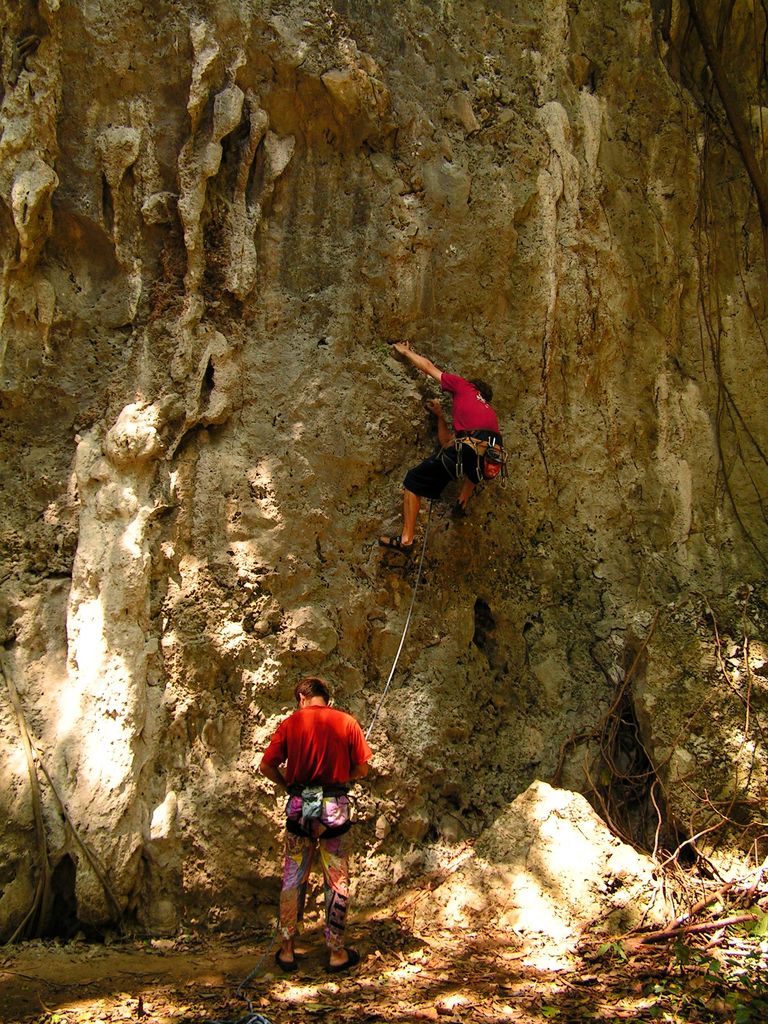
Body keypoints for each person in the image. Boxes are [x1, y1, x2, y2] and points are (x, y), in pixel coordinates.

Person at [260, 676, 372, 973]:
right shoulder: (347, 722)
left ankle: (286, 949)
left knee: (293, 876)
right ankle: (336, 952)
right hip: (334, 809)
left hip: (299, 808)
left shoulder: (290, 724)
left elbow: (266, 766)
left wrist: (288, 786)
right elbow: (362, 767)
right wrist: (341, 775)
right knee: (337, 878)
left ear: (301, 698)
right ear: (327, 698)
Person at [378, 341, 503, 553]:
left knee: (413, 480)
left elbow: (428, 367)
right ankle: (462, 501)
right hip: (490, 455)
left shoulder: (463, 386)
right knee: (471, 457)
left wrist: (406, 351)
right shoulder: (489, 416)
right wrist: (440, 417)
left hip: (469, 450)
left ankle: (406, 540)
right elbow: (454, 447)